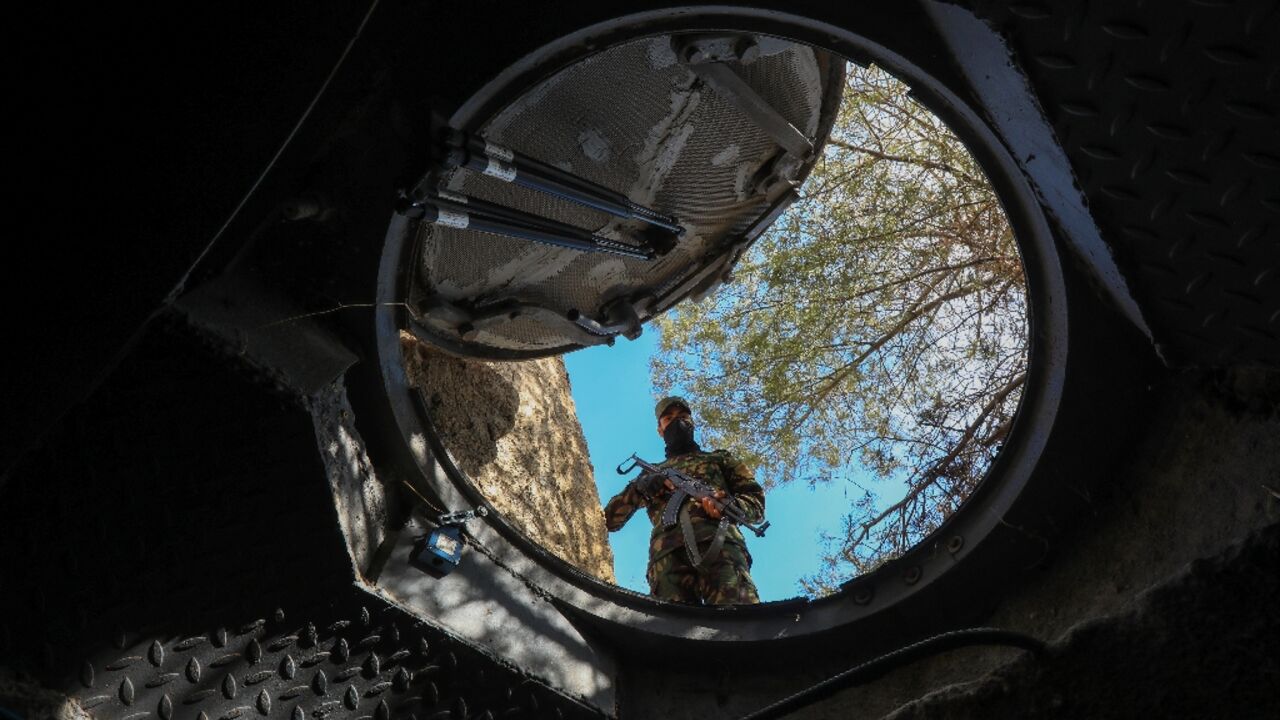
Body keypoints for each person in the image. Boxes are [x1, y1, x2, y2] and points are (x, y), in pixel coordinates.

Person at [603, 396, 766, 605]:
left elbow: (756, 503)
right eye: (668, 418)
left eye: (682, 416)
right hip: (668, 558)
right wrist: (640, 488)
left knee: (741, 622)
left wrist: (731, 507)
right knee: (672, 628)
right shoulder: (652, 472)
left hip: (721, 545)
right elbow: (609, 520)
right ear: (660, 430)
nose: (676, 421)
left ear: (692, 422)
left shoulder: (719, 459)